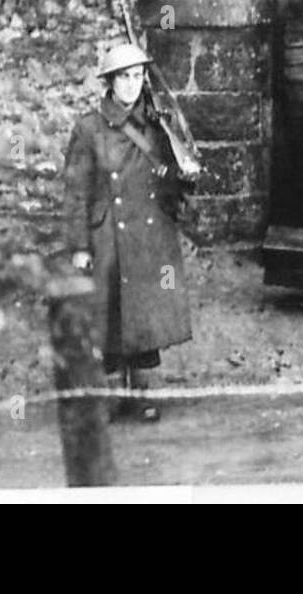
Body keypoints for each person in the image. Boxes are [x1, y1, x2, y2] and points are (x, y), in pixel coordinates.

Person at [63, 42, 192, 422]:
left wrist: (184, 170)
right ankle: (110, 395)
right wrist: (79, 247)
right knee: (109, 316)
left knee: (146, 316)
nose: (133, 85)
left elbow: (179, 172)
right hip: (108, 235)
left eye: (138, 76)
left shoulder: (160, 122)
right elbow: (76, 192)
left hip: (150, 232)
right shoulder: (88, 128)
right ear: (110, 82)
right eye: (125, 77)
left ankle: (144, 395)